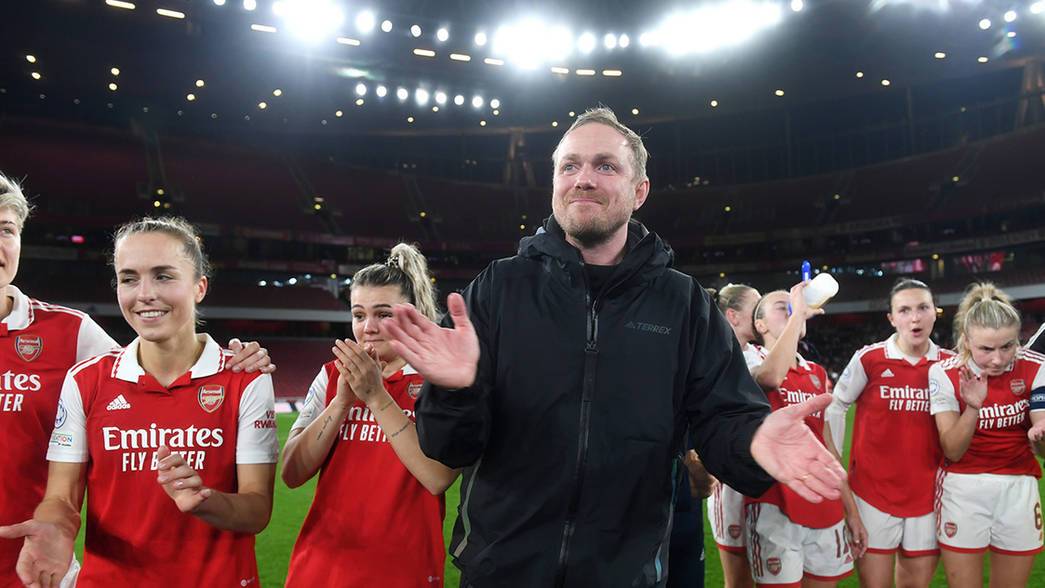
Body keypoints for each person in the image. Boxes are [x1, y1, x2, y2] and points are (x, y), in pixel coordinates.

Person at [381, 107, 846, 586]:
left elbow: (723, 419)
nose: (583, 179)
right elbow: (448, 448)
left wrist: (753, 440)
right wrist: (456, 392)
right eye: (569, 166)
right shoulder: (499, 288)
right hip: (503, 571)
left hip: (626, 574)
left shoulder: (683, 303)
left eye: (605, 165)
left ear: (639, 191)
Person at [0, 175, 273, 588]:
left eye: (163, 276)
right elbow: (62, 496)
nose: (144, 293)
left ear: (200, 287)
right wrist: (56, 522)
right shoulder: (90, 378)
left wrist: (204, 501)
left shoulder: (74, 341)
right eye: (129, 279)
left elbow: (257, 508)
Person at [282, 244, 458, 588]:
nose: (368, 328)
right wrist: (341, 403)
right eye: (359, 315)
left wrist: (375, 396)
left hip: (402, 572)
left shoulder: (440, 379)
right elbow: (291, 472)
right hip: (320, 569)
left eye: (384, 314)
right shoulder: (332, 375)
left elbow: (437, 476)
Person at [824, 279, 953, 588]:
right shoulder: (869, 359)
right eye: (904, 310)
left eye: (923, 308)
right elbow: (835, 406)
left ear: (935, 313)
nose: (915, 318)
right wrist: (836, 461)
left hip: (929, 497)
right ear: (892, 318)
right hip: (871, 496)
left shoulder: (950, 364)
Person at [929, 282, 1045, 588]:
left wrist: (1039, 436)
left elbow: (1042, 443)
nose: (997, 359)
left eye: (1007, 346)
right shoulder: (943, 372)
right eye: (985, 349)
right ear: (967, 341)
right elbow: (952, 450)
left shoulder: (1037, 366)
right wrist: (973, 408)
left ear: (1019, 337)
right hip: (962, 489)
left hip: (1018, 488)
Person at [745, 285, 862, 587]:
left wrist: (851, 511)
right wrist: (798, 311)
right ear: (760, 325)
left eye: (794, 306)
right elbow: (770, 378)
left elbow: (829, 450)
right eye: (782, 307)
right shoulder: (747, 359)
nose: (794, 309)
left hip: (823, 502)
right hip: (775, 504)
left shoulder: (817, 373)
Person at [706, 284, 762, 588]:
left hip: (764, 479)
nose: (763, 313)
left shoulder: (763, 354)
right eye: (757, 308)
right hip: (729, 483)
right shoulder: (712, 358)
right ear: (733, 316)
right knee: (739, 579)